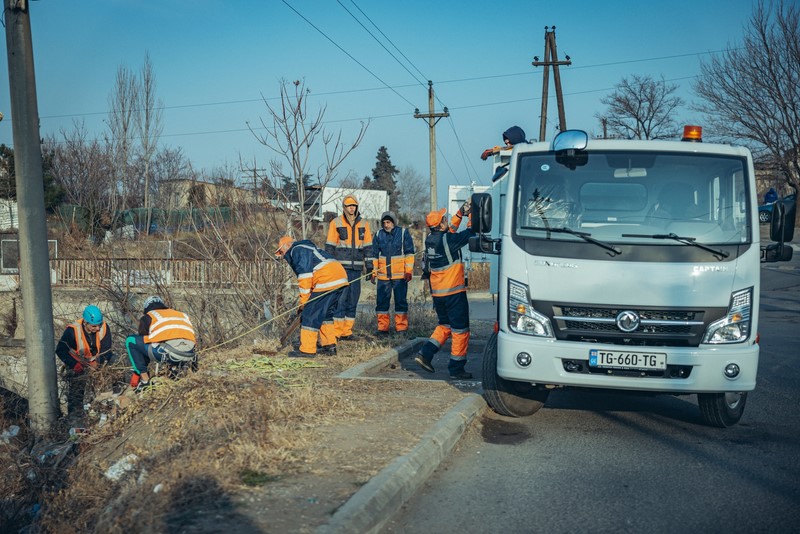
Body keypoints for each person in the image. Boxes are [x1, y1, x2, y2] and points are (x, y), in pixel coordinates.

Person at [414, 202, 476, 380]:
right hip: (453, 293)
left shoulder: (431, 239)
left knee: (445, 326)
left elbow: (450, 231)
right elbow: (471, 232)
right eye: (444, 219)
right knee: (460, 330)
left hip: (438, 294)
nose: (447, 220)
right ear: (440, 225)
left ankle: (425, 354)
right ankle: (456, 369)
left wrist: (460, 213)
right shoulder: (448, 240)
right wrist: (471, 215)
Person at [276, 236, 349, 357]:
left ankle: (307, 350)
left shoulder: (296, 250)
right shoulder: (306, 247)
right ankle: (329, 346)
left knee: (309, 314)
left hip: (326, 277)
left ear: (287, 246)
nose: (282, 255)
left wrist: (304, 302)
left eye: (281, 251)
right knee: (325, 314)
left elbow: (305, 277)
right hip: (339, 276)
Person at [325, 195, 373, 339]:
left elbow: (368, 247)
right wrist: (330, 267)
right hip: (340, 268)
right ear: (344, 207)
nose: (351, 208)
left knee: (353, 299)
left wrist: (369, 266)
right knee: (340, 300)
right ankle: (337, 332)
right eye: (349, 206)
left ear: (356, 207)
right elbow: (330, 246)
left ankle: (347, 332)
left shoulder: (364, 224)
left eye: (353, 206)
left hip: (356, 269)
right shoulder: (336, 222)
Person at [126, 295, 197, 392]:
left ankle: (145, 381)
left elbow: (143, 344)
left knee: (131, 340)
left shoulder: (149, 316)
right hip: (190, 354)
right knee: (169, 343)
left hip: (171, 354)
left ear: (146, 308)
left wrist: (138, 370)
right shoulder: (181, 314)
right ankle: (174, 370)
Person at [55, 305, 116, 415]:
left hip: (97, 361)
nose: (97, 328)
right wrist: (74, 364)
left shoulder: (104, 328)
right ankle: (75, 416)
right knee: (76, 388)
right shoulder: (72, 331)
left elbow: (107, 350)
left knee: (113, 364)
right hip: (78, 363)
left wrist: (98, 363)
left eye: (99, 325)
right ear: (85, 323)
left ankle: (110, 403)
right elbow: (60, 350)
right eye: (94, 326)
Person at [370, 211, 415, 335]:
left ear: (394, 222)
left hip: (400, 276)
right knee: (382, 303)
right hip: (383, 276)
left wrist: (408, 271)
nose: (386, 225)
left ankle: (401, 328)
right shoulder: (378, 234)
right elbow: (374, 255)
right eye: (384, 222)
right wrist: (373, 272)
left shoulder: (403, 233)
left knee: (400, 302)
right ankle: (382, 328)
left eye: (388, 222)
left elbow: (409, 253)